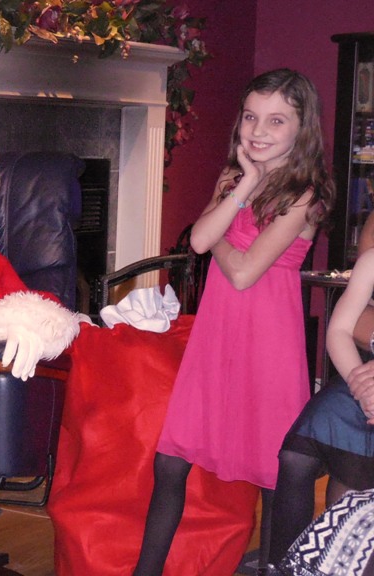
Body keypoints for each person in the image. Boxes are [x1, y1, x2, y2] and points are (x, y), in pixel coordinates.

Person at [132, 68, 335, 576]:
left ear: (302, 128)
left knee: (274, 473)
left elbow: (242, 271)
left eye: (276, 120)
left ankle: (278, 568)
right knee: (171, 461)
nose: (259, 131)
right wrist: (244, 184)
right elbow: (198, 241)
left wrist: (224, 228)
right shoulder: (233, 179)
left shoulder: (304, 195)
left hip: (268, 345)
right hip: (216, 339)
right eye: (250, 117)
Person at [265, 231, 374, 573]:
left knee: (352, 484)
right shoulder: (372, 261)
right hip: (366, 382)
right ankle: (285, 567)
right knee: (298, 451)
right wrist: (362, 389)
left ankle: (338, 561)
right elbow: (338, 331)